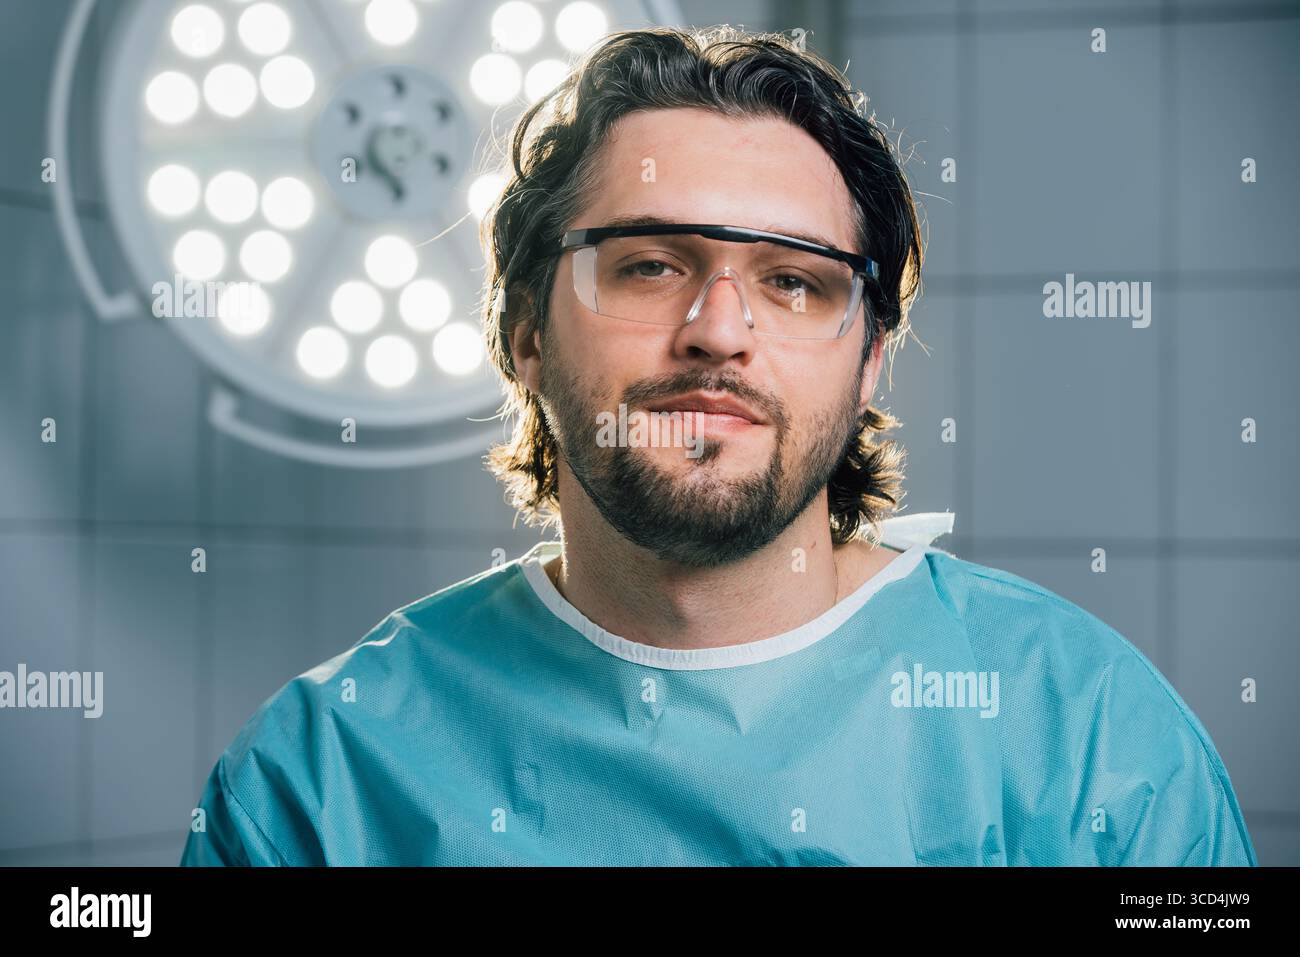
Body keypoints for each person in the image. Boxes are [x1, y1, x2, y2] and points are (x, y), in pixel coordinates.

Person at [182, 25, 1255, 866]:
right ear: (524, 337)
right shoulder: (324, 781)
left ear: (869, 360)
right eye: (649, 264)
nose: (719, 328)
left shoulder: (1085, 743)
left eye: (795, 283)